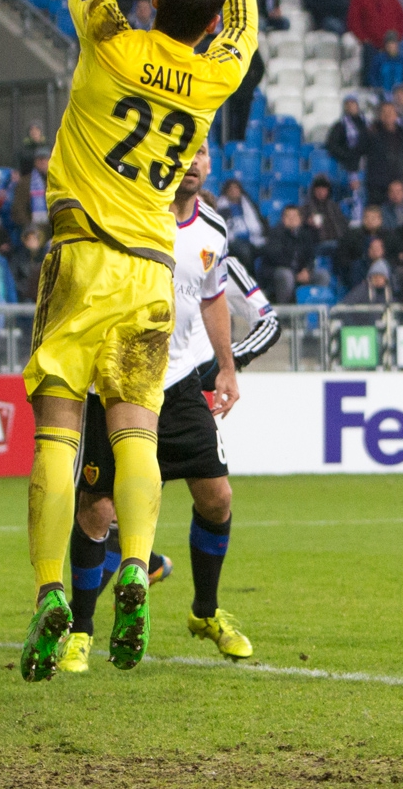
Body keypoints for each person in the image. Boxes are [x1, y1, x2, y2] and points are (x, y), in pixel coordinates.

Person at [18, 0, 252, 681]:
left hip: (84, 253)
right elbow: (246, 28)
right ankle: (134, 566)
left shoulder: (112, 40)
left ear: (154, 1)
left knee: (56, 426)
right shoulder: (212, 76)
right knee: (135, 431)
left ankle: (52, 588)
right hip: (153, 270)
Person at [60, 144, 255, 673]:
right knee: (98, 509)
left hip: (177, 383)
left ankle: (205, 612)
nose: (193, 162)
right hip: (118, 381)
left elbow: (213, 296)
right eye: (185, 152)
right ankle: (80, 632)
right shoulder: (131, 211)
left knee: (217, 498)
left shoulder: (212, 230)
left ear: (210, 165)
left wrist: (227, 366)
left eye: (203, 153)